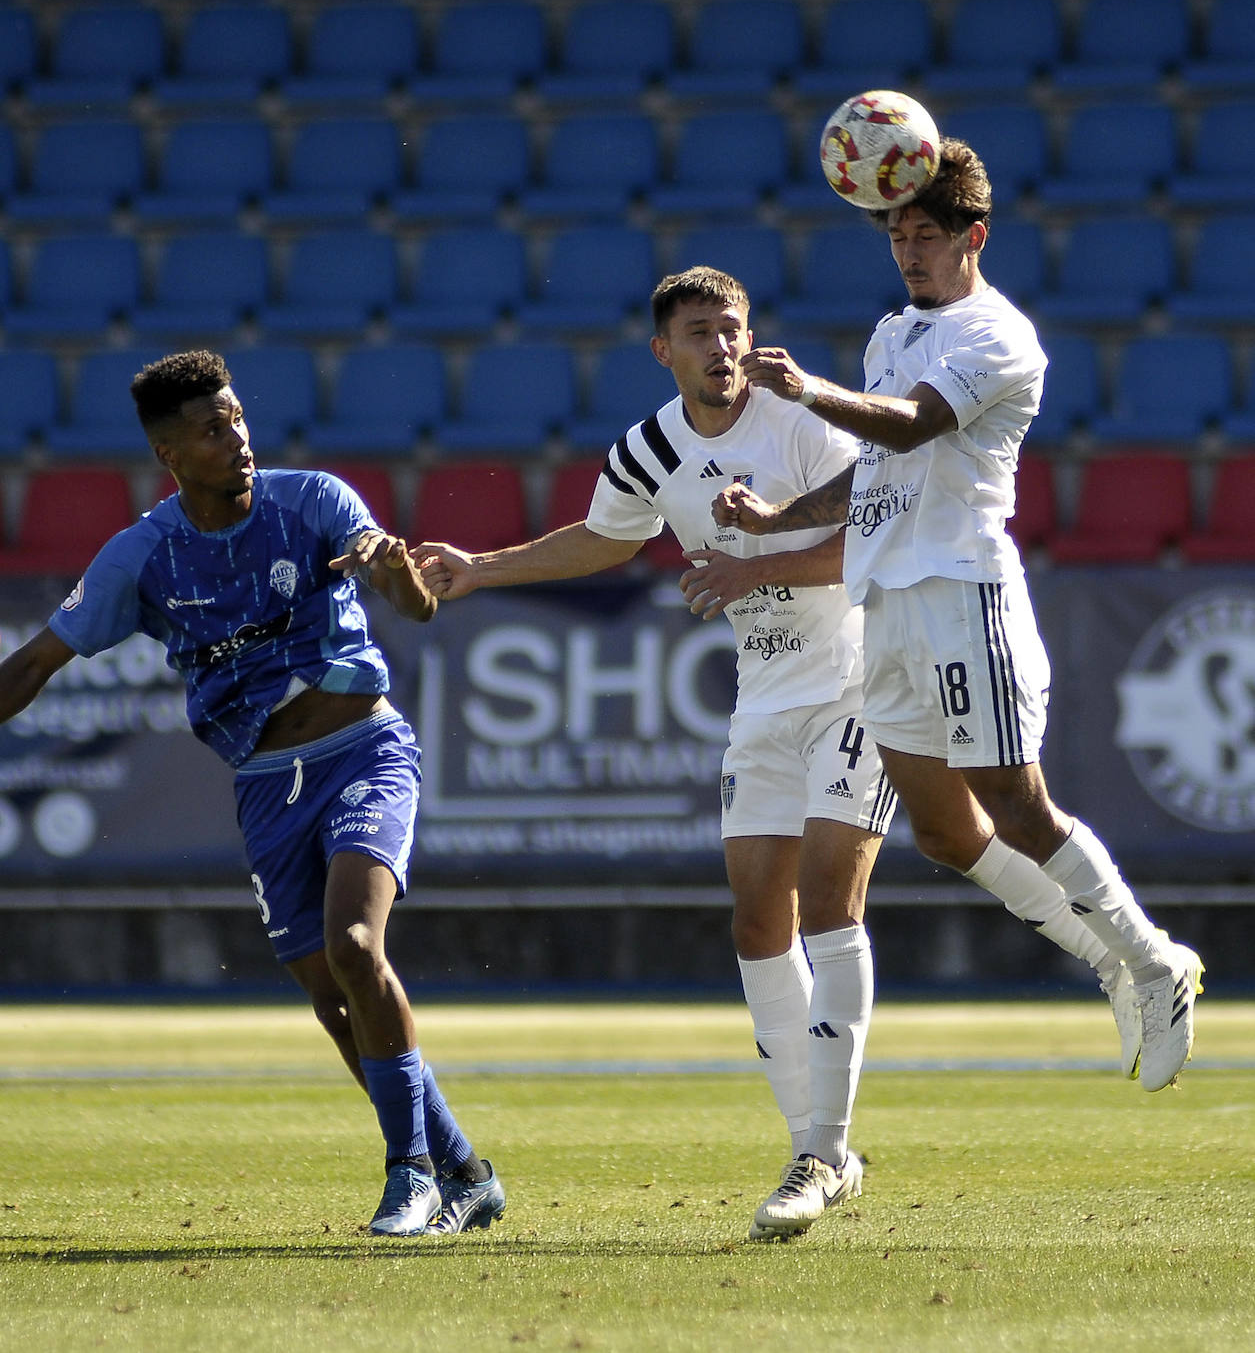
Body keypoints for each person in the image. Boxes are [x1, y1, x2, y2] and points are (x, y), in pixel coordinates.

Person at [710, 137, 1203, 1098]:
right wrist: (779, 519)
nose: (907, 253)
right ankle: (1116, 956)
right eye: (896, 235)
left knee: (1014, 801)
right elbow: (878, 466)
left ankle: (1149, 961)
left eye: (925, 235)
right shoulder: (893, 333)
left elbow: (915, 425)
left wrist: (807, 390)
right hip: (886, 599)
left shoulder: (997, 336)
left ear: (973, 236)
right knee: (941, 832)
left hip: (960, 591)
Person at [418, 267, 889, 1241]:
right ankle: (824, 1153)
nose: (722, 347)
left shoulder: (797, 421)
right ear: (662, 351)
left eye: (733, 328)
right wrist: (481, 570)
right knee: (759, 921)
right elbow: (603, 540)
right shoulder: (647, 450)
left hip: (856, 681)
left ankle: (817, 1151)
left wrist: (751, 561)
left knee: (832, 899)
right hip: (763, 702)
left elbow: (874, 534)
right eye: (700, 332)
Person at [0, 350, 504, 1239]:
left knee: (356, 942)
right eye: (209, 428)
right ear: (169, 454)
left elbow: (416, 606)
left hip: (364, 749)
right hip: (266, 783)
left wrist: (391, 570)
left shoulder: (312, 501)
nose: (234, 436)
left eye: (235, 417)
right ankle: (465, 1168)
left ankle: (411, 1175)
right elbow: (39, 660)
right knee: (328, 997)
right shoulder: (143, 556)